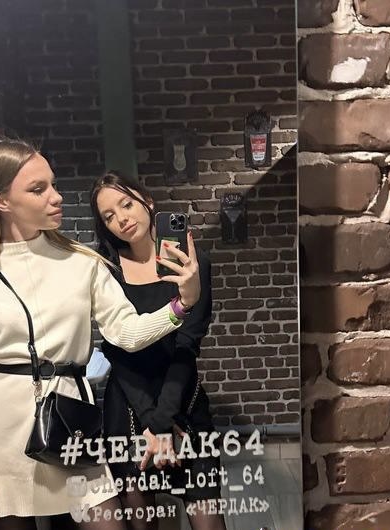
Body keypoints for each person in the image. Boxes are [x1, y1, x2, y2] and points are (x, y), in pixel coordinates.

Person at [0, 139, 201, 530]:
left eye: (53, 184)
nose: (56, 197)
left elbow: (126, 332)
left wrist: (181, 304)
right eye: (38, 189)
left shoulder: (82, 262)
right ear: (1, 200)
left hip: (71, 421)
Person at [90, 171, 226, 530]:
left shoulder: (193, 264)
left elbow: (187, 346)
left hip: (182, 397)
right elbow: (118, 353)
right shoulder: (106, 270)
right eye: (109, 216)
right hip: (129, 404)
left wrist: (162, 421)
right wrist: (152, 422)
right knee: (142, 523)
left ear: (147, 201)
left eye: (126, 204)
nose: (121, 218)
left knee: (209, 520)